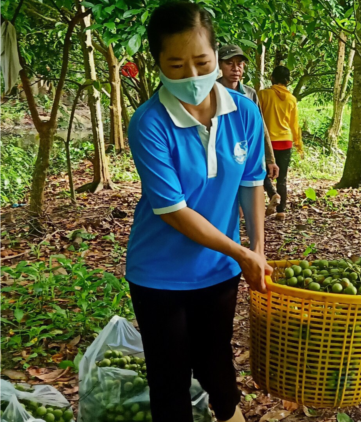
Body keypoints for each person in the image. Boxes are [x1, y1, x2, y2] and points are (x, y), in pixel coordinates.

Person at [126, 3, 272, 422]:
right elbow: (173, 210)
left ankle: (227, 413)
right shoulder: (149, 123)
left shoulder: (244, 112)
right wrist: (241, 252)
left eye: (201, 61)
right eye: (176, 64)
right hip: (159, 275)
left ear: (216, 58)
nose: (191, 76)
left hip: (219, 272)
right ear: (156, 64)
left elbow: (252, 182)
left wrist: (257, 246)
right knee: (169, 378)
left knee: (217, 365)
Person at [217, 44, 281, 209]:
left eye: (239, 63)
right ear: (219, 65)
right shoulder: (211, 92)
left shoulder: (250, 94)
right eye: (229, 63)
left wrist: (269, 159)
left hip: (247, 152)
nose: (235, 68)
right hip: (221, 155)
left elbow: (261, 128)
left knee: (247, 201)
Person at [258, 66, 303, 220]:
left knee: (261, 172)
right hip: (285, 140)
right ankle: (282, 212)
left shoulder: (263, 95)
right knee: (282, 178)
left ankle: (272, 194)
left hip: (267, 141)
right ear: (288, 81)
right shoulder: (292, 99)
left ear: (272, 78)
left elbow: (258, 119)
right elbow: (294, 124)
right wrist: (298, 143)